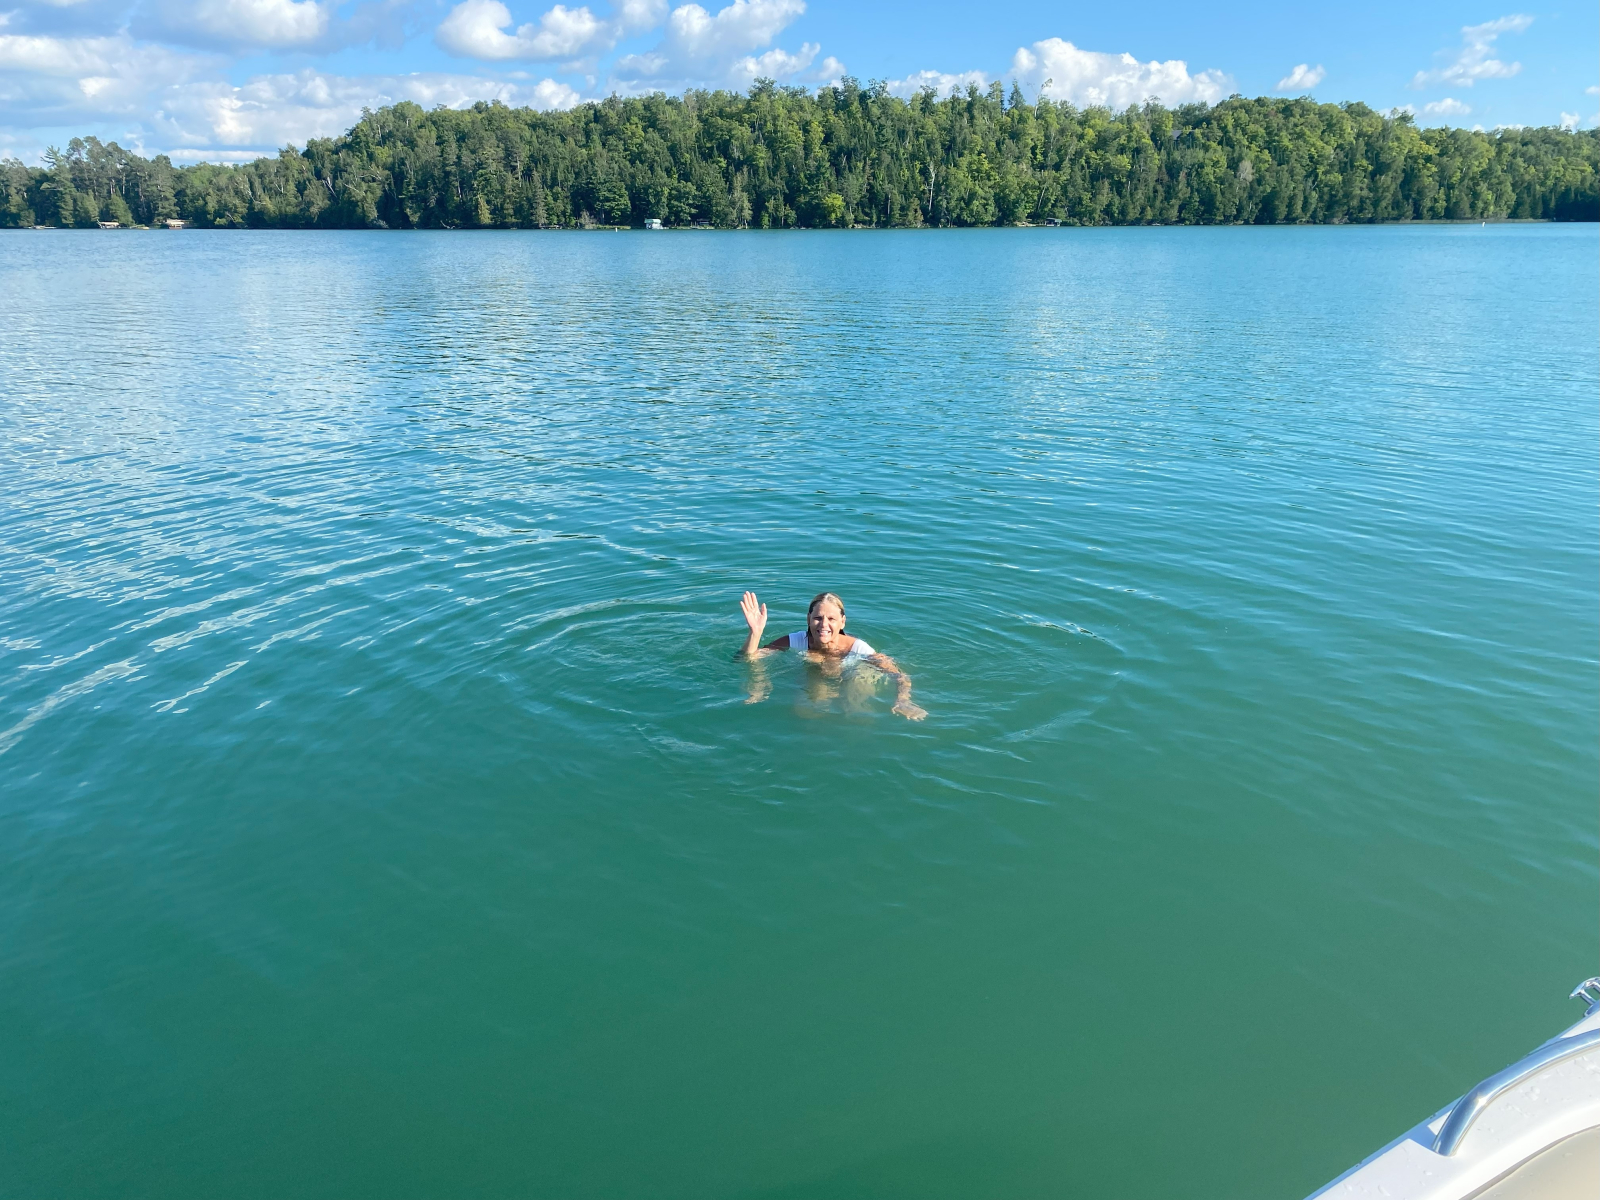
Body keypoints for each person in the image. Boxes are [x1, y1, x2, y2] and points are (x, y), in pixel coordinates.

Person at [738, 590, 927, 720]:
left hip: (853, 674)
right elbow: (749, 659)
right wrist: (755, 633)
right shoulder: (795, 640)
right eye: (818, 618)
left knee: (857, 714)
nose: (823, 625)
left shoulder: (858, 648)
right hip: (818, 677)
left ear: (842, 622)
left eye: (831, 619)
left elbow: (899, 675)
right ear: (808, 620)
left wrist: (903, 701)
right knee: (806, 710)